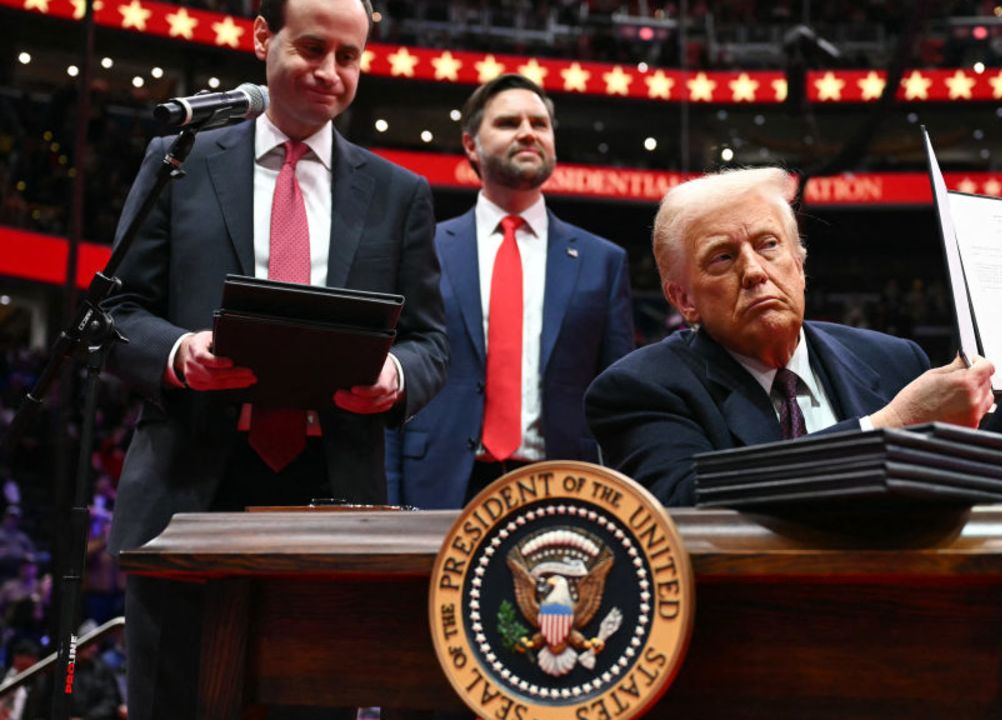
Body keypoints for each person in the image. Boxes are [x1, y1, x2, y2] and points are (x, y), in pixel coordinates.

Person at [100, 0, 449, 717]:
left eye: (348, 57)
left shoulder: (399, 194)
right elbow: (112, 313)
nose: (329, 73)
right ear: (263, 38)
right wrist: (177, 351)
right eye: (312, 48)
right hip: (188, 485)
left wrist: (396, 376)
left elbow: (431, 341)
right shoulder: (179, 161)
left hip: (334, 491)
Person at [585, 168, 1002, 505]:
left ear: (800, 264)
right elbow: (686, 503)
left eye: (769, 245)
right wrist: (890, 425)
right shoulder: (639, 388)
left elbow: (981, 485)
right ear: (683, 299)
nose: (753, 271)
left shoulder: (894, 360)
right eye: (722, 257)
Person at [386, 74, 633, 508]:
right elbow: (392, 379)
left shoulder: (604, 262)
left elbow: (619, 401)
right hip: (439, 484)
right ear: (470, 145)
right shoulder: (423, 249)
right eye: (508, 123)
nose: (527, 132)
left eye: (540, 123)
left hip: (564, 484)